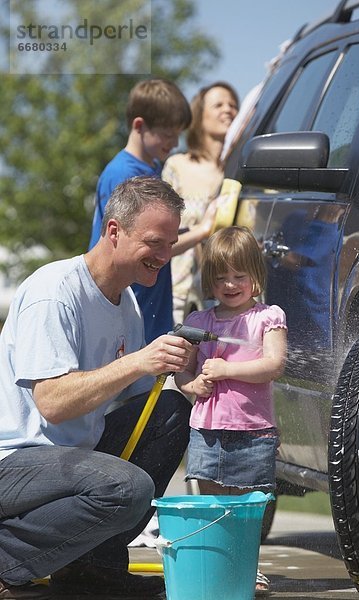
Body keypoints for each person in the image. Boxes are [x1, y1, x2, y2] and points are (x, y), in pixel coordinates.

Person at [0, 176, 193, 599]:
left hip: (67, 459)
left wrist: (193, 378)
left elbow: (136, 391)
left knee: (171, 412)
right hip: (14, 461)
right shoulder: (54, 292)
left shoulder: (127, 302)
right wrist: (136, 360)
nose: (165, 256)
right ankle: (6, 556)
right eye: (155, 242)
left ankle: (94, 568)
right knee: (127, 488)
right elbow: (52, 403)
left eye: (170, 242)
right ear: (113, 232)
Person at [174, 226, 287, 597]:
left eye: (239, 275)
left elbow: (273, 365)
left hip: (253, 430)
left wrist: (226, 370)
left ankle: (248, 569)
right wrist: (192, 386)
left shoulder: (266, 317)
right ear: (209, 280)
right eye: (221, 277)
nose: (230, 283)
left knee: (246, 508)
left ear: (256, 276)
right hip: (207, 430)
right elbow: (183, 372)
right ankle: (219, 567)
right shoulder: (198, 323)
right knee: (212, 505)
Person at [89, 78, 216, 343]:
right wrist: (203, 230)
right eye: (168, 134)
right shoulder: (124, 175)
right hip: (129, 315)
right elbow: (150, 243)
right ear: (139, 125)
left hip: (149, 312)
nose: (175, 141)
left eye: (178, 133)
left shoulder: (152, 170)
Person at [162, 81, 239, 324]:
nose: (228, 110)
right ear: (200, 115)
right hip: (178, 295)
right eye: (218, 105)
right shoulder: (178, 166)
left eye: (233, 105)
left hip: (228, 298)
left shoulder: (240, 171)